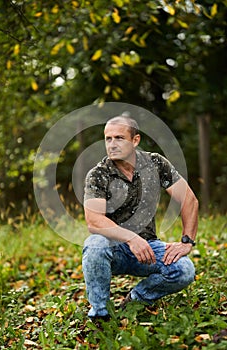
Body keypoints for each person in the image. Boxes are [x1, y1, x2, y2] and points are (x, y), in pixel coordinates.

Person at [82, 115, 198, 321]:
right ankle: (100, 314)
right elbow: (93, 220)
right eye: (108, 139)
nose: (112, 144)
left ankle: (136, 299)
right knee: (95, 244)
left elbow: (189, 199)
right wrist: (131, 238)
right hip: (113, 249)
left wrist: (187, 241)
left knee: (185, 269)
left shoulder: (155, 164)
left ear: (135, 140)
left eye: (119, 138)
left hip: (148, 247)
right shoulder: (98, 174)